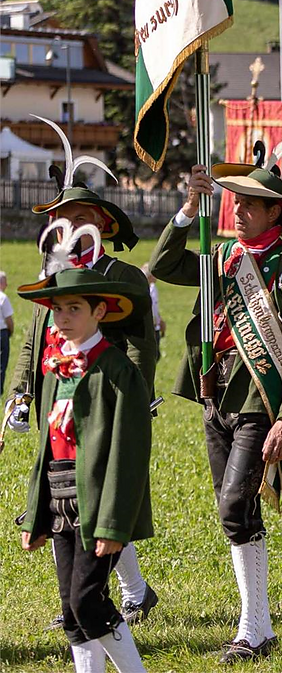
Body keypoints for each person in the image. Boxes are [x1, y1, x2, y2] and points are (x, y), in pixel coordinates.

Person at [151, 126, 282, 664]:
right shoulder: (221, 253)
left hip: (258, 397)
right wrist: (188, 209)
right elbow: (163, 265)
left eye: (252, 204)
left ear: (277, 213)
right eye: (237, 202)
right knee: (236, 511)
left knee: (234, 504)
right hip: (216, 392)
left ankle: (253, 627)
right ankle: (257, 627)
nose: (240, 211)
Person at [5, 120, 160, 629]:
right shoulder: (51, 277)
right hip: (57, 399)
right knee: (61, 498)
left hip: (103, 402)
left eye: (77, 217)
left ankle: (100, 598)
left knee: (98, 499)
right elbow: (33, 341)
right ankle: (89, 598)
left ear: (99, 222)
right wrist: (20, 392)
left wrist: (135, 394)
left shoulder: (122, 277)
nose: (66, 225)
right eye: (60, 218)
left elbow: (142, 346)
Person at [16, 220, 152, 673]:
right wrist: (36, 515)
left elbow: (127, 455)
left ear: (100, 311)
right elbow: (45, 452)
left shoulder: (118, 372)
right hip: (60, 500)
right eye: (57, 309)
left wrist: (114, 523)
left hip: (97, 504)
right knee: (71, 609)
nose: (63, 317)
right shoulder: (55, 370)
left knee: (86, 600)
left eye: (74, 307)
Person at [0, 271, 13, 398]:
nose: (7, 285)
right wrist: (10, 331)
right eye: (5, 282)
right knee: (1, 364)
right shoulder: (3, 297)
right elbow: (9, 319)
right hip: (1, 333)